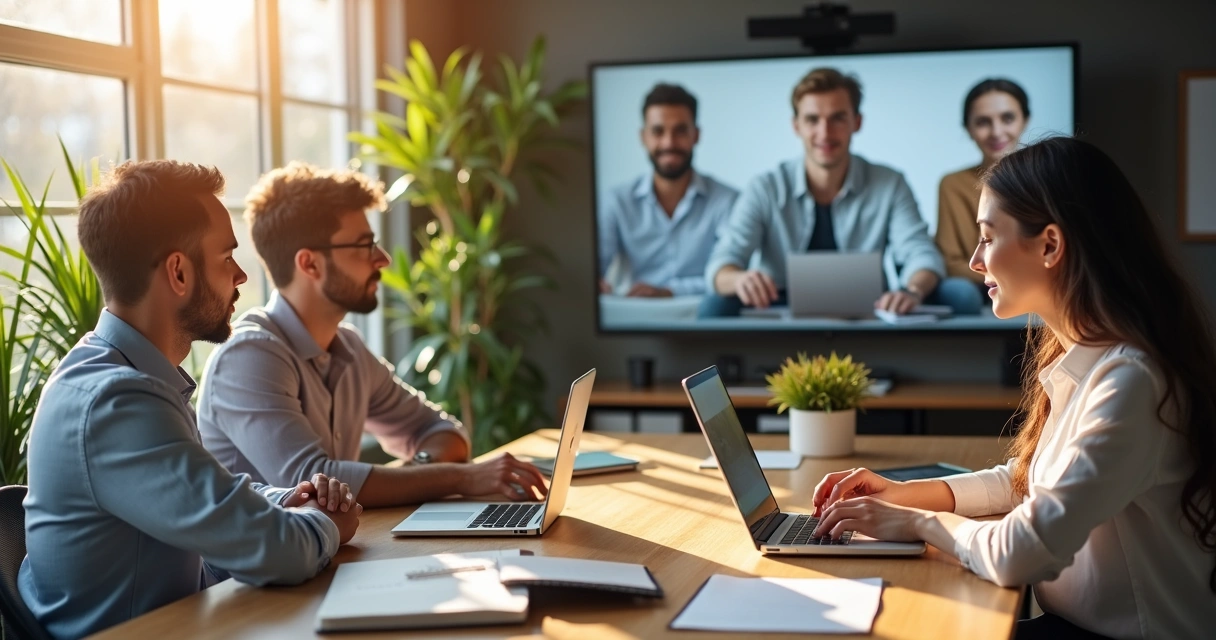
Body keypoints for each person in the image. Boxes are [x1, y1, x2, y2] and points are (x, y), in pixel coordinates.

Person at [810, 137, 1216, 639]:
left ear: (1049, 245)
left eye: (987, 236)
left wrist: (916, 524)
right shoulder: (1088, 359)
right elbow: (1025, 483)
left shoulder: (1132, 382)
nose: (976, 260)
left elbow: (1022, 552)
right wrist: (904, 496)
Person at [19, 160, 363, 640]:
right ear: (178, 272)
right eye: (226, 257)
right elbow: (273, 550)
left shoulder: (128, 374)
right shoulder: (116, 402)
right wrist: (327, 522)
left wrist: (289, 498)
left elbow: (210, 492)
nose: (241, 275)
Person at [197, 162, 549, 508]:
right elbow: (313, 482)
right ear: (310, 264)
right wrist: (464, 478)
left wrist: (421, 473)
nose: (382, 259)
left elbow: (446, 434)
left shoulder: (348, 347)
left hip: (333, 554)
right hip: (261, 567)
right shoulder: (248, 356)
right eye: (364, 246)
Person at [700, 67, 980, 318]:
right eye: (812, 119)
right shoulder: (766, 187)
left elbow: (920, 253)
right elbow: (723, 262)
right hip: (776, 306)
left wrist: (912, 291)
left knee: (962, 295)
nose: (825, 132)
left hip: (872, 307)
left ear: (857, 122)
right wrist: (739, 280)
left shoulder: (889, 183)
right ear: (796, 126)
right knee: (714, 304)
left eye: (837, 118)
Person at [598, 83, 738, 297]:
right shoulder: (617, 201)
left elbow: (732, 275)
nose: (669, 142)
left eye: (680, 131)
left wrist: (669, 291)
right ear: (643, 137)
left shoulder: (728, 201)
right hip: (634, 318)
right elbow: (596, 266)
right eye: (657, 131)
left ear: (696, 135)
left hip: (705, 319)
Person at [936, 78, 1031, 305]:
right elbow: (951, 262)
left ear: (1024, 121)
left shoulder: (1048, 179)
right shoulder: (953, 185)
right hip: (982, 289)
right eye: (982, 122)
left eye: (1007, 118)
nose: (996, 132)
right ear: (968, 129)